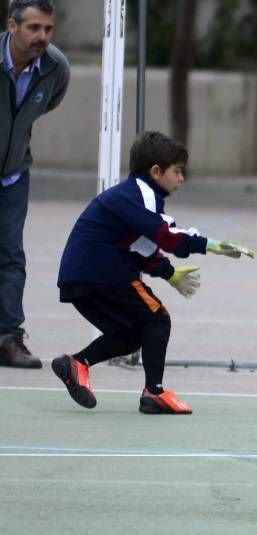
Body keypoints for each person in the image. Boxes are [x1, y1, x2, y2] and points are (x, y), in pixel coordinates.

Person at [52, 131, 255, 414]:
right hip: (103, 270)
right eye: (178, 171)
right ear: (156, 171)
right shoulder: (139, 194)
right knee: (158, 319)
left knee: (134, 332)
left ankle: (77, 364)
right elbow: (167, 235)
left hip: (80, 276)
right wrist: (213, 246)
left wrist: (169, 273)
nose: (181, 179)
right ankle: (154, 393)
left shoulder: (135, 197)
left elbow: (140, 245)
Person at [0, 0, 69, 368]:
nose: (42, 36)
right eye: (34, 28)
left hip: (13, 174)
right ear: (12, 26)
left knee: (11, 256)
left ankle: (8, 339)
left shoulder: (56, 68)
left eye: (48, 29)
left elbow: (45, 106)